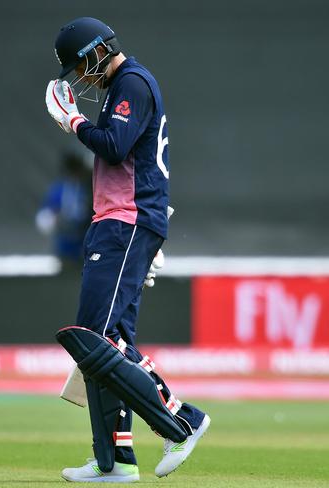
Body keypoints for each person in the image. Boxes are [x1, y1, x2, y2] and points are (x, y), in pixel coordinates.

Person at [45, 17, 210, 482]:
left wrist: (72, 121)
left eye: (81, 66)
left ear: (99, 50)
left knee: (93, 339)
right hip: (120, 223)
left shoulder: (132, 82)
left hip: (127, 222)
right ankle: (114, 460)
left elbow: (115, 148)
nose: (82, 78)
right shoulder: (128, 83)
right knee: (107, 342)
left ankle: (182, 421)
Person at [35, 152, 92, 266]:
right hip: (65, 247)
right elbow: (44, 218)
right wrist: (54, 219)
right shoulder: (59, 189)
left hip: (87, 247)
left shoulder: (89, 189)